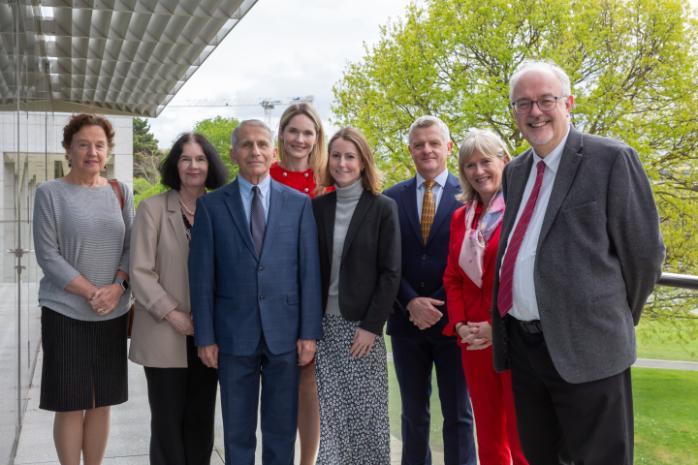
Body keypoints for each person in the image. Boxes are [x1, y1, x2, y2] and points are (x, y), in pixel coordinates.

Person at [492, 59, 665, 465]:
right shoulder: (515, 172)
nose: (534, 112)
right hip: (525, 347)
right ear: (514, 113)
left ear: (568, 102)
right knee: (540, 455)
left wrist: (608, 317)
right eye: (523, 103)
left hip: (590, 348)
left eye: (545, 100)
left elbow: (644, 255)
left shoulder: (611, 159)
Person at [188, 119, 323, 465]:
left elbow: (309, 274)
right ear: (233, 154)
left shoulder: (298, 204)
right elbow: (201, 278)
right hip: (233, 336)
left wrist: (309, 333)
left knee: (280, 431)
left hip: (286, 334)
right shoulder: (212, 206)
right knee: (237, 432)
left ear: (273, 152)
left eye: (262, 144)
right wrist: (205, 336)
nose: (255, 151)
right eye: (246, 145)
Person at [33, 113, 133, 465]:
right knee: (72, 401)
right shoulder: (49, 193)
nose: (92, 151)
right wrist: (93, 292)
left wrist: (118, 287)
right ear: (69, 149)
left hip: (113, 311)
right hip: (65, 311)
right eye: (84, 144)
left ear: (108, 151)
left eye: (100, 145)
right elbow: (48, 255)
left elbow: (131, 247)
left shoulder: (121, 192)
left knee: (102, 400)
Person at [129, 133, 228, 465]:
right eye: (185, 159)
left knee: (201, 421)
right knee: (168, 423)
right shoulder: (152, 209)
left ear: (209, 165)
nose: (193, 166)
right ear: (175, 165)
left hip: (209, 335)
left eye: (200, 159)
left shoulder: (222, 209)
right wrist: (174, 315)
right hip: (164, 332)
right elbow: (140, 271)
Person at [384, 116, 477, 465]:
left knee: (458, 413)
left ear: (448, 148)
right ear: (410, 150)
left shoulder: (469, 196)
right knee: (413, 413)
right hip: (406, 323)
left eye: (434, 143)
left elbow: (473, 262)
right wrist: (411, 302)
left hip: (455, 323)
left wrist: (436, 305)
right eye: (419, 144)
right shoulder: (391, 199)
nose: (426, 150)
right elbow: (386, 262)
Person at [312, 127, 400, 465]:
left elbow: (391, 272)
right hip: (325, 327)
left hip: (362, 328)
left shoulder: (383, 207)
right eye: (336, 155)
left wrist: (371, 326)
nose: (342, 163)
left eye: (350, 156)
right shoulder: (318, 208)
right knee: (333, 417)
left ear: (363, 162)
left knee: (368, 417)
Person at [442, 128, 527, 465]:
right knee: (488, 437)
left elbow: (525, 278)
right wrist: (461, 325)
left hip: (514, 338)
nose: (478, 171)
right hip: (474, 342)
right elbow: (452, 278)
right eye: (469, 165)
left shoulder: (521, 212)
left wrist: (498, 328)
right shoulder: (461, 218)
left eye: (485, 162)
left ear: (504, 161)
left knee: (521, 436)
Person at [270, 103, 328, 465]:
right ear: (282, 134)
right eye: (294, 131)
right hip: (274, 296)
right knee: (277, 387)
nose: (300, 139)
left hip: (317, 295)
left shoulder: (328, 183)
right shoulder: (265, 176)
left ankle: (307, 461)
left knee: (309, 386)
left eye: (308, 133)